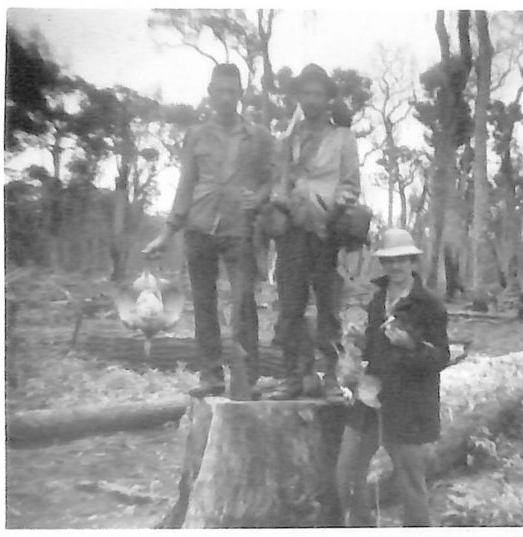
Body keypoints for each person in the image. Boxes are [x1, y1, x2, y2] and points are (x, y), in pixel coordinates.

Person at [142, 63, 275, 399]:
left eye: (233, 91)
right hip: (199, 226)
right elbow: (185, 185)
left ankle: (248, 378)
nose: (227, 97)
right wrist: (166, 233)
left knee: (243, 303)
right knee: (204, 303)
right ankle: (211, 376)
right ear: (211, 93)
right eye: (221, 91)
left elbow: (273, 179)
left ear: (240, 94)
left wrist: (257, 198)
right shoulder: (196, 136)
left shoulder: (258, 136)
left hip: (239, 229)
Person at [335, 228, 450, 527]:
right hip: (370, 398)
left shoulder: (430, 306)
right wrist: (358, 343)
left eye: (402, 260)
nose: (395, 267)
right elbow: (374, 349)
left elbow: (440, 357)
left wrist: (410, 345)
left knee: (410, 486)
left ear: (413, 262)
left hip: (408, 406)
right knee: (346, 474)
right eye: (389, 261)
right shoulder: (376, 300)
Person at [264, 63, 361, 401]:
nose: (311, 99)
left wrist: (332, 212)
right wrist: (283, 203)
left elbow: (350, 186)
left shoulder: (343, 138)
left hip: (328, 233)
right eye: (305, 93)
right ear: (299, 97)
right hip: (292, 231)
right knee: (290, 306)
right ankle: (294, 376)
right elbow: (279, 182)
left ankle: (331, 377)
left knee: (329, 309)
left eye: (318, 93)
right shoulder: (288, 139)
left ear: (328, 98)